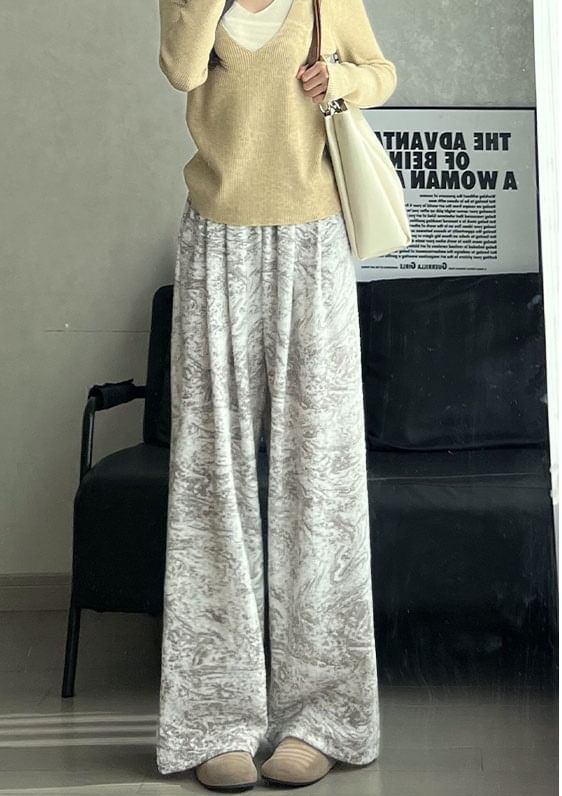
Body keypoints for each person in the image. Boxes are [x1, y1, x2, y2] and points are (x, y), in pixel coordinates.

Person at [155, 0, 397, 790]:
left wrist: (344, 81)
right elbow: (182, 70)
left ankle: (321, 718)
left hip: (314, 238)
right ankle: (213, 721)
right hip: (215, 236)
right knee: (211, 478)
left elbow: (383, 73)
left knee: (317, 478)